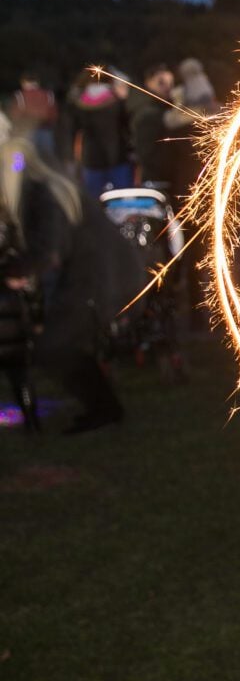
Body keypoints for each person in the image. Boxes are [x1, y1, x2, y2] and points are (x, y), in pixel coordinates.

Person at [0, 115, 138, 434]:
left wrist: (18, 270)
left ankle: (105, 410)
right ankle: (104, 406)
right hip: (94, 273)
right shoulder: (38, 179)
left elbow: (50, 248)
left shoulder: (39, 189)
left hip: (99, 278)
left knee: (54, 347)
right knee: (58, 345)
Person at [65, 68, 133, 197]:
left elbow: (72, 132)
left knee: (94, 202)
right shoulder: (117, 101)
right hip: (118, 157)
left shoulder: (78, 103)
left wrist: (70, 158)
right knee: (122, 199)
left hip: (91, 159)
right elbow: (129, 127)